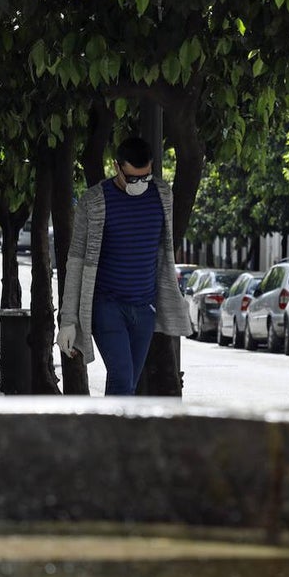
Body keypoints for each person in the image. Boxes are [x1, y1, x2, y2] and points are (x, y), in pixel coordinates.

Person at [57, 136, 190, 395]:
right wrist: (68, 320)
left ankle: (112, 431)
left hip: (145, 308)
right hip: (108, 306)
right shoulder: (94, 201)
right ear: (117, 167)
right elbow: (76, 261)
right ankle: (116, 435)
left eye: (145, 177)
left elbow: (164, 253)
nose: (139, 184)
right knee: (121, 377)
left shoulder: (163, 196)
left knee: (129, 383)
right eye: (132, 178)